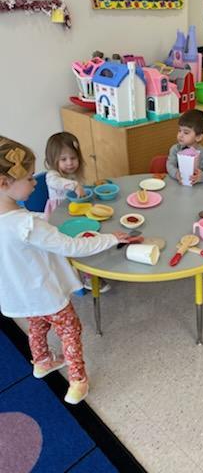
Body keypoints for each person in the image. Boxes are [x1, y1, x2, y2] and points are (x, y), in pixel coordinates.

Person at [0, 136, 140, 404]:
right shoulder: (27, 224)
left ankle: (41, 361)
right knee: (70, 330)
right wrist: (112, 238)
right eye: (29, 178)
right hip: (46, 293)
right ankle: (77, 380)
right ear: (4, 184)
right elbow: (72, 247)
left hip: (21, 296)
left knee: (36, 325)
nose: (34, 182)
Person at [44, 131, 109, 293]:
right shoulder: (52, 175)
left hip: (75, 211)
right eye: (63, 159)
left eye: (73, 158)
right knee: (78, 241)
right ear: (53, 160)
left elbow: (80, 190)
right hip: (59, 215)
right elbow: (57, 183)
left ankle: (97, 262)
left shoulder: (74, 174)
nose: (70, 163)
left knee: (94, 231)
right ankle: (87, 276)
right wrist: (74, 186)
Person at [166, 109, 203, 185]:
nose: (180, 135)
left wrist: (201, 176)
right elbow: (170, 165)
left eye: (186, 132)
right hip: (178, 187)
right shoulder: (175, 149)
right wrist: (176, 174)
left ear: (198, 137)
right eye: (179, 130)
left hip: (198, 191)